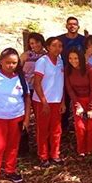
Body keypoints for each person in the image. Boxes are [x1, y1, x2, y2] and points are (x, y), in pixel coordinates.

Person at [0, 48, 31, 183]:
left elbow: (27, 97)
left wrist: (27, 118)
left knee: (13, 146)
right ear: (1, 62)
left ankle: (10, 170)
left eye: (14, 63)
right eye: (8, 62)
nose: (11, 65)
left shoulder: (20, 77)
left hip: (16, 116)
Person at [32, 37, 66, 167]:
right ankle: (43, 156)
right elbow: (37, 83)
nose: (57, 48)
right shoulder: (42, 61)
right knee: (43, 129)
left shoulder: (60, 61)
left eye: (60, 46)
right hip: (42, 101)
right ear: (48, 47)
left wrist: (62, 101)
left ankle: (55, 154)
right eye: (54, 45)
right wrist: (44, 102)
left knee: (56, 129)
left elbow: (60, 83)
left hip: (56, 100)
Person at [65, 47, 92, 158]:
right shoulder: (68, 69)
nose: (73, 61)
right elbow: (69, 88)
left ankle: (90, 149)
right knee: (80, 126)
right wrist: (77, 104)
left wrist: (90, 107)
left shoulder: (90, 69)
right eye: (70, 58)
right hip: (78, 99)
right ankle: (81, 149)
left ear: (80, 58)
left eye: (76, 58)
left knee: (91, 125)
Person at [57, 16, 86, 133]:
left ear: (78, 26)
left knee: (79, 99)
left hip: (79, 74)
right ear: (66, 26)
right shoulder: (60, 39)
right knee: (64, 99)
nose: (72, 26)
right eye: (70, 24)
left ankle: (81, 126)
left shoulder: (83, 40)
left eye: (74, 24)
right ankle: (63, 127)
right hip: (62, 73)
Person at [20, 32, 47, 96]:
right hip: (27, 87)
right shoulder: (25, 55)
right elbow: (18, 70)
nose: (35, 45)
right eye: (32, 43)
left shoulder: (47, 56)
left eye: (37, 42)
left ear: (41, 42)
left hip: (43, 88)